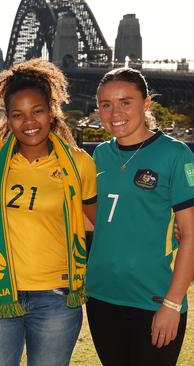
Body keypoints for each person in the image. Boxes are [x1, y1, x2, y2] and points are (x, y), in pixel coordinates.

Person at [0, 58, 97, 366]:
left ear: (52, 110)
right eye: (18, 114)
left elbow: (95, 227)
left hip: (56, 298)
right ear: (8, 118)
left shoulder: (79, 164)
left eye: (37, 111)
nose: (29, 122)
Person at [86, 67, 194, 366]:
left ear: (146, 103)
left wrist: (172, 304)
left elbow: (190, 235)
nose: (114, 112)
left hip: (154, 300)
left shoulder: (176, 154)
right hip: (101, 298)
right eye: (106, 104)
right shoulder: (99, 156)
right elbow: (100, 220)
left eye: (125, 102)